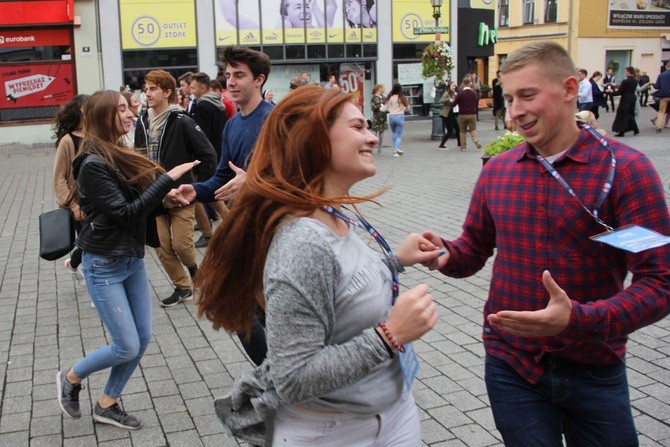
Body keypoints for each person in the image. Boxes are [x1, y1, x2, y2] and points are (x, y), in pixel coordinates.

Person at [413, 41, 670, 447]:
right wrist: (442, 252)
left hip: (594, 367)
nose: (514, 111)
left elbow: (659, 283)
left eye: (528, 95)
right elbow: (473, 251)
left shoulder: (627, 171)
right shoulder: (497, 171)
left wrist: (579, 320)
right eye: (509, 97)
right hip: (511, 364)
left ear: (570, 89)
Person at [193, 85, 440, 446]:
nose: (372, 137)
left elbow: (341, 288)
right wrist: (391, 336)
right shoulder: (304, 243)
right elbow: (293, 378)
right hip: (336, 433)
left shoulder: (329, 210)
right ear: (315, 139)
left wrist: (394, 261)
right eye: (358, 127)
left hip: (391, 414)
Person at [56, 89, 199, 430]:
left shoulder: (119, 153)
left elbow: (136, 205)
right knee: (126, 345)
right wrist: (167, 179)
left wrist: (168, 199)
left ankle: (107, 403)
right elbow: (125, 212)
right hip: (104, 265)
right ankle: (72, 377)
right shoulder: (91, 163)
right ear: (104, 116)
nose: (130, 113)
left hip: (131, 260)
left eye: (129, 107)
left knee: (142, 337)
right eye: (121, 109)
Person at [134, 69, 217, 308]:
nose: (147, 93)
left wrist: (195, 185)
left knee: (181, 245)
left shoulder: (181, 120)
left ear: (167, 92)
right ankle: (182, 287)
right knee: (161, 246)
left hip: (180, 195)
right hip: (154, 196)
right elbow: (138, 158)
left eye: (153, 89)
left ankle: (196, 275)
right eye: (145, 89)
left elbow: (208, 154)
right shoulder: (142, 120)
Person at [189, 72, 230, 248]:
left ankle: (210, 232)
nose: (190, 91)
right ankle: (229, 225)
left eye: (192, 87)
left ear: (203, 88)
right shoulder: (216, 103)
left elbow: (201, 136)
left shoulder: (203, 106)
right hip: (216, 153)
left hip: (205, 157)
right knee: (212, 195)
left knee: (204, 195)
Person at [52, 94, 89, 285]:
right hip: (78, 204)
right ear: (78, 111)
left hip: (98, 201)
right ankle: (95, 286)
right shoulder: (68, 140)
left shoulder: (96, 135)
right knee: (91, 245)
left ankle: (73, 264)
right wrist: (72, 206)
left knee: (91, 243)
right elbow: (58, 178)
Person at [451, 77, 481, 151]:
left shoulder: (460, 94)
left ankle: (463, 146)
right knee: (473, 129)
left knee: (462, 131)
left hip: (462, 115)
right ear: (470, 84)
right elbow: (476, 103)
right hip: (472, 114)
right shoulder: (474, 93)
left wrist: (451, 101)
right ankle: (475, 139)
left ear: (463, 84)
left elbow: (454, 104)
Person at [380, 82, 409, 157]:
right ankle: (395, 151)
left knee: (394, 133)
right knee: (399, 135)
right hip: (400, 116)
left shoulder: (390, 97)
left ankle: (396, 148)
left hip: (392, 116)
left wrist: (381, 107)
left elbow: (384, 108)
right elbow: (407, 108)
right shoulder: (403, 97)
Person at [611, 66, 640, 137]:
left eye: (626, 71)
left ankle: (621, 131)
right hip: (632, 98)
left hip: (626, 99)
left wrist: (610, 93)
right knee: (630, 114)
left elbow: (620, 92)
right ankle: (635, 129)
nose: (625, 73)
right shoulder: (635, 80)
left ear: (629, 72)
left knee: (622, 115)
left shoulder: (626, 81)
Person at [438, 81, 461, 149]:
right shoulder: (447, 93)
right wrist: (449, 99)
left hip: (452, 113)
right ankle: (441, 145)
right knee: (450, 131)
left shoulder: (455, 93)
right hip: (446, 114)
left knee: (457, 128)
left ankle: (459, 143)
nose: (454, 87)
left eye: (454, 86)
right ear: (449, 86)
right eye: (452, 86)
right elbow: (441, 100)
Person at [651, 60, 670, 133]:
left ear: (666, 66)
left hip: (664, 96)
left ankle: (659, 127)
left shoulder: (661, 75)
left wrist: (652, 84)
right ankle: (668, 123)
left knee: (661, 111)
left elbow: (657, 86)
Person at [369, 83, 388, 154]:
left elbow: (387, 106)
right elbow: (372, 107)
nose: (384, 89)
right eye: (383, 88)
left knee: (382, 133)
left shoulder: (384, 97)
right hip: (377, 118)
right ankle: (371, 148)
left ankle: (380, 148)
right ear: (379, 88)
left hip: (383, 118)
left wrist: (386, 109)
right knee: (375, 133)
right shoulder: (374, 97)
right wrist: (380, 105)